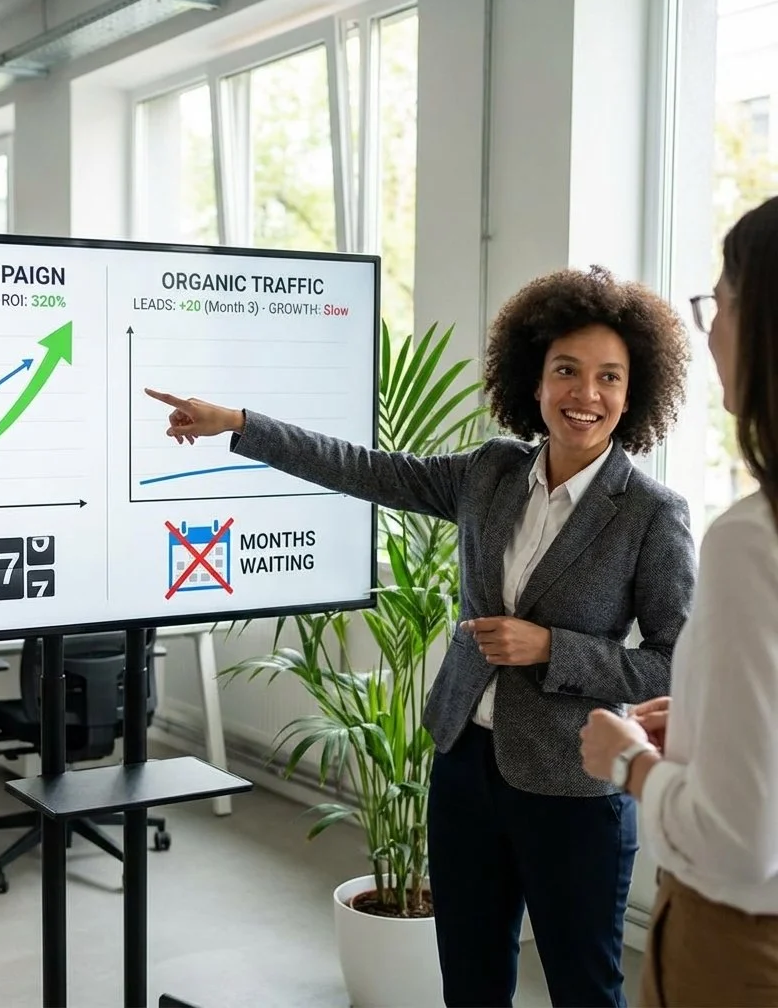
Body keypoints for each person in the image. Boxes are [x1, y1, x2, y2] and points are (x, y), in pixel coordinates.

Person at [147, 265, 696, 1008]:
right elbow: (369, 469)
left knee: (584, 989)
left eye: (608, 377)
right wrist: (243, 425)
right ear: (535, 379)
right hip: (465, 762)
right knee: (469, 978)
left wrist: (550, 649)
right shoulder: (493, 472)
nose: (585, 395)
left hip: (573, 787)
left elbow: (673, 665)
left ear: (633, 395)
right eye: (566, 370)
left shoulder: (651, 514)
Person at [580, 195, 778, 1007]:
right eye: (564, 369)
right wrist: (699, 717)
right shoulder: (490, 473)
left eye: (719, 304)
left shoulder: (743, 537)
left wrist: (628, 761)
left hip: (737, 946)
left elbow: (740, 845)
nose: (712, 331)